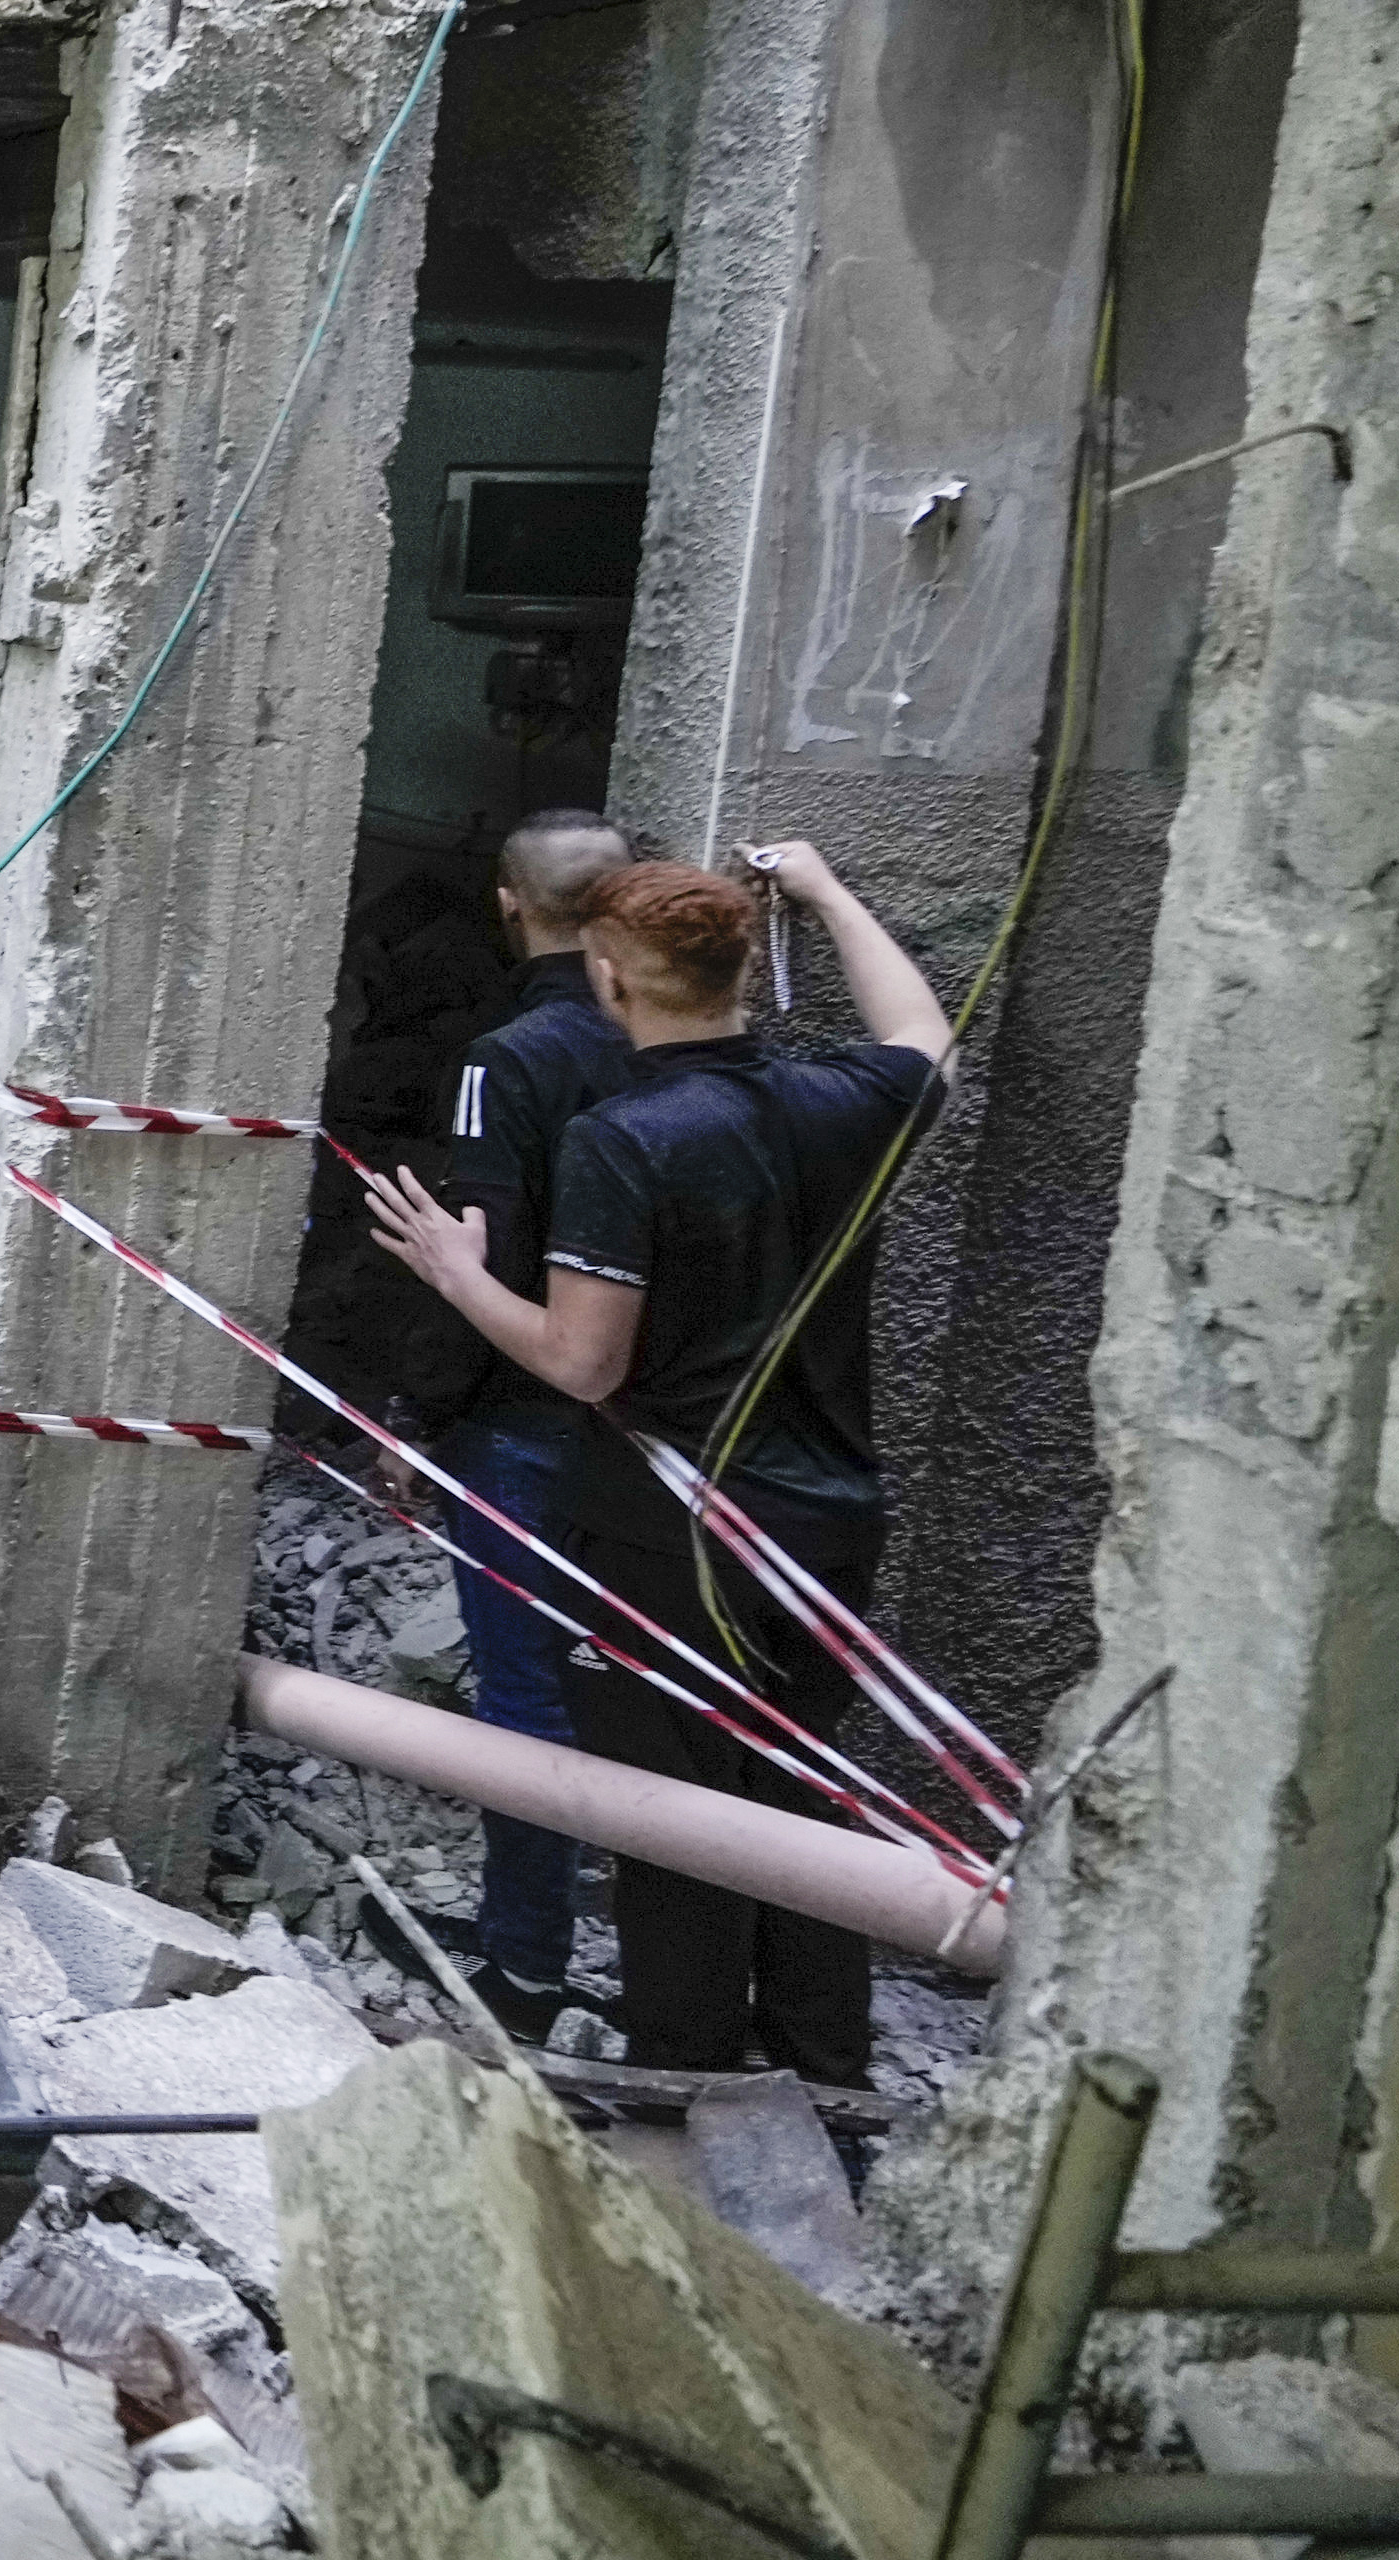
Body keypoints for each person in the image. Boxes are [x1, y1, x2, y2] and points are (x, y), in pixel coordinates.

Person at [361, 846, 951, 2085]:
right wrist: (831, 891)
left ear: (613, 981)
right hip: (835, 1514)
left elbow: (582, 1363)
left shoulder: (626, 1140)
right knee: (805, 1796)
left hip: (671, 1534)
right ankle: (826, 2080)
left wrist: (458, 1276)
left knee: (674, 1819)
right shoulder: (847, 1098)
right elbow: (924, 1033)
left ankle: (685, 2089)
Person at [404, 806, 645, 2035]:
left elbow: (474, 1248)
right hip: (665, 1430)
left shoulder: (512, 1060)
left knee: (526, 1694)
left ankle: (529, 1971)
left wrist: (426, 1412)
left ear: (508, 901)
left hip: (524, 1412)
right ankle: (645, 1975)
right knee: (633, 1693)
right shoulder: (669, 1045)